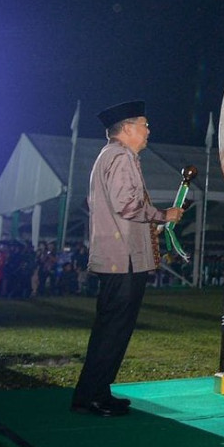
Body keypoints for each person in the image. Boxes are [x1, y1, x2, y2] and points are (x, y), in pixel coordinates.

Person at [71, 100, 183, 417]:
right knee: (113, 329)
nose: (149, 130)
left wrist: (151, 227)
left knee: (113, 328)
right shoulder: (120, 156)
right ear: (128, 128)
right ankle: (90, 395)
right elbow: (128, 206)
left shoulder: (114, 155)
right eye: (145, 125)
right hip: (122, 261)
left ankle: (97, 391)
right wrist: (165, 214)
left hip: (121, 257)